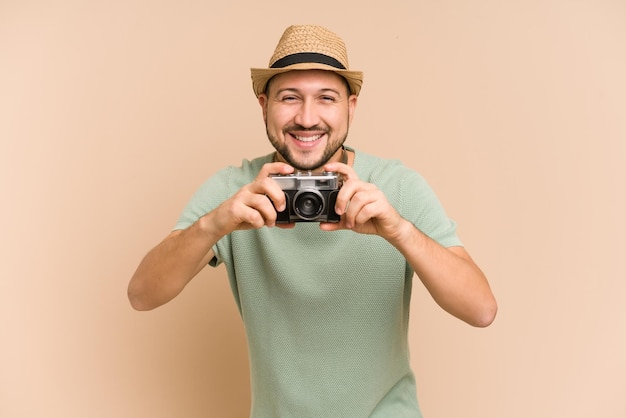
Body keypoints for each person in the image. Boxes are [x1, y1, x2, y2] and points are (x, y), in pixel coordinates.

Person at [128, 24, 497, 418]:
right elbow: (142, 294)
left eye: (326, 98)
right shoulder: (236, 190)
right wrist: (213, 224)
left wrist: (399, 230)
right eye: (290, 98)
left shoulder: (396, 187)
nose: (307, 118)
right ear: (263, 104)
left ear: (350, 107)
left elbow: (481, 310)